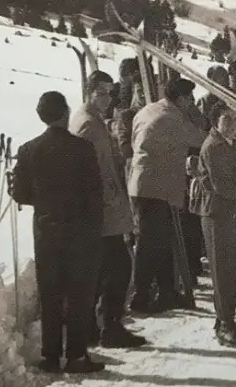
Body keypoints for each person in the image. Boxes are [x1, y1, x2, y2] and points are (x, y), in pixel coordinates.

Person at [8, 92, 105, 373]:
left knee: (49, 294)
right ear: (65, 113)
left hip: (46, 232)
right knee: (78, 295)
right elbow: (94, 196)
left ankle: (50, 356)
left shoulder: (28, 150)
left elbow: (21, 194)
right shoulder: (83, 149)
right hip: (80, 233)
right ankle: (76, 356)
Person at [68, 71, 145, 349]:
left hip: (102, 209)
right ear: (89, 93)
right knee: (118, 268)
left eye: (110, 93)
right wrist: (110, 197)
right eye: (101, 93)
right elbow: (91, 170)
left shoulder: (93, 120)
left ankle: (94, 326)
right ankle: (110, 326)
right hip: (102, 210)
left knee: (103, 271)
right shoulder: (88, 125)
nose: (107, 99)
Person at [128, 77, 207, 314]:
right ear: (181, 99)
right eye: (189, 99)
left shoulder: (148, 110)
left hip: (143, 184)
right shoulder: (172, 118)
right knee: (150, 244)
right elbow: (201, 140)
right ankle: (141, 296)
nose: (192, 103)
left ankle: (167, 292)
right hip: (156, 187)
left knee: (161, 242)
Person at [191, 105, 236, 347]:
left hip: (235, 212)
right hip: (218, 214)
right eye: (227, 119)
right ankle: (223, 323)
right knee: (222, 270)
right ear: (215, 120)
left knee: (235, 268)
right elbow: (222, 186)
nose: (233, 124)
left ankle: (227, 319)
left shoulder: (235, 142)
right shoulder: (213, 146)